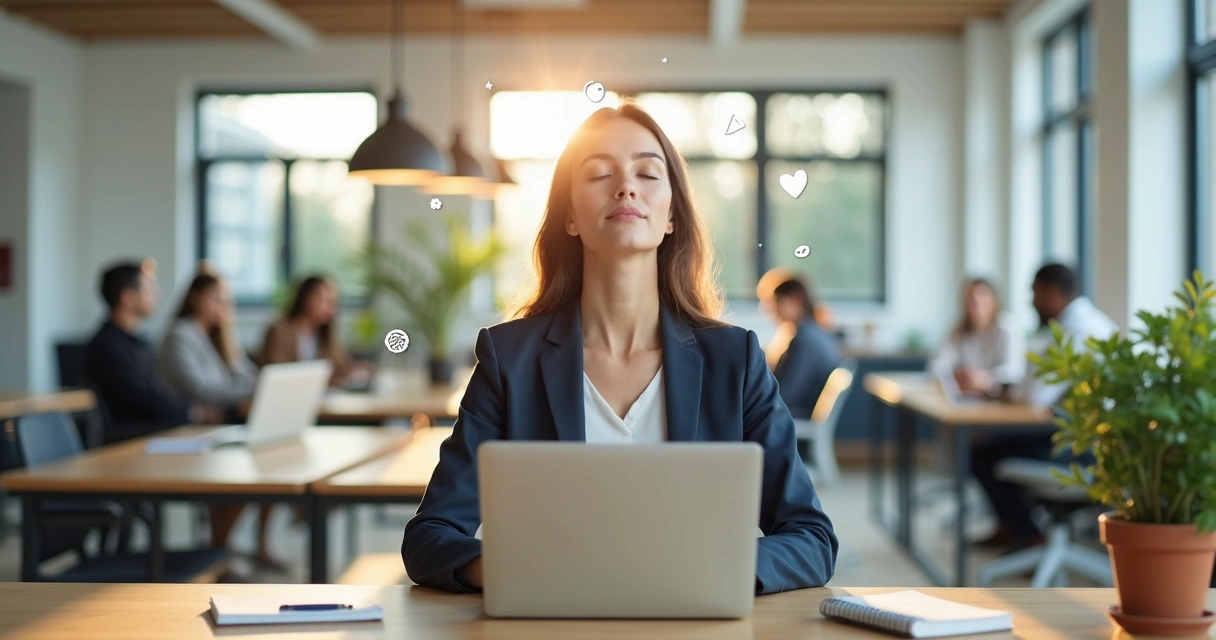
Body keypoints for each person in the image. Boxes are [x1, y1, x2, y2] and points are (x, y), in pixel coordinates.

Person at [401, 99, 838, 594]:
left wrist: (717, 569)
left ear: (671, 215)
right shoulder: (510, 361)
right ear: (570, 216)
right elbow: (428, 538)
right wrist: (515, 569)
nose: (626, 186)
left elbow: (812, 539)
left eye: (648, 174)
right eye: (599, 173)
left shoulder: (733, 361)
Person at [971, 263, 1117, 550]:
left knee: (982, 454)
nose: (1031, 302)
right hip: (1098, 445)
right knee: (995, 446)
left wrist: (1003, 390)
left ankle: (1028, 535)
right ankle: (1016, 529)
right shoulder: (1094, 322)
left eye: (1034, 294)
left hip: (1081, 452)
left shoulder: (1072, 331)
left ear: (1050, 293)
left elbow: (1034, 396)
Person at [158, 270, 280, 570]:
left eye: (227, 300)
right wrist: (248, 389)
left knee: (271, 462)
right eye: (216, 299)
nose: (223, 306)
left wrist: (259, 384)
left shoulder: (218, 336)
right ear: (195, 298)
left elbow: (248, 377)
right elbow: (201, 388)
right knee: (248, 476)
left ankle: (236, 549)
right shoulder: (180, 335)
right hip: (187, 435)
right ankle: (218, 554)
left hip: (218, 427)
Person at [83, 260, 205, 443]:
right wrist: (190, 413)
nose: (158, 295)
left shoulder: (135, 343)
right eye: (150, 290)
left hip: (150, 427)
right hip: (132, 437)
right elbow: (145, 399)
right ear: (128, 298)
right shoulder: (108, 347)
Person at [258, 275, 374, 388]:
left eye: (333, 302)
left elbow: (341, 367)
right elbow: (279, 374)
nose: (329, 307)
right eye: (323, 300)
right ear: (305, 298)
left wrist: (359, 370)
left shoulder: (325, 334)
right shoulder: (280, 331)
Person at [758, 273, 842, 420]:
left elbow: (786, 395)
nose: (771, 311)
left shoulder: (803, 340)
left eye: (776, 302)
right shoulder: (816, 331)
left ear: (795, 298)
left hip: (796, 416)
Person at [928, 278, 1025, 399]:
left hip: (1000, 400)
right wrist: (955, 379)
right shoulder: (959, 329)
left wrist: (984, 379)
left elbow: (1015, 371)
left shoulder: (1007, 326)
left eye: (981, 299)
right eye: (970, 300)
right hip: (965, 400)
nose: (974, 306)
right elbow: (938, 365)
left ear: (994, 301)